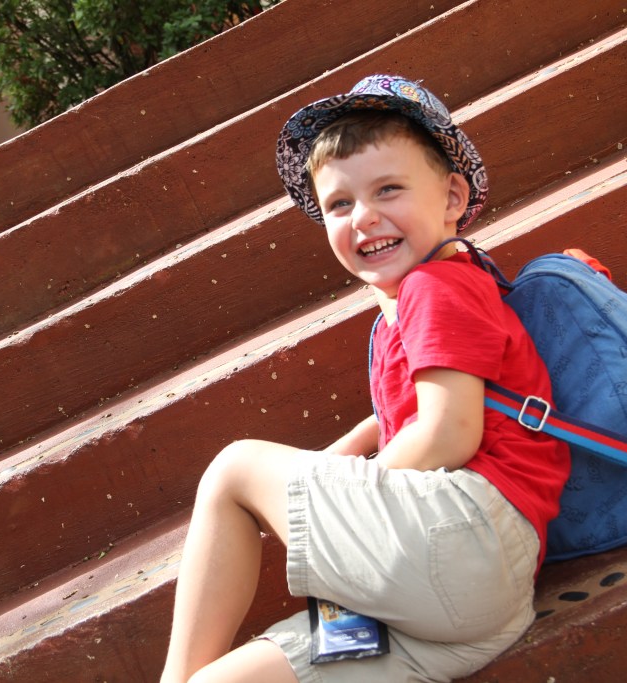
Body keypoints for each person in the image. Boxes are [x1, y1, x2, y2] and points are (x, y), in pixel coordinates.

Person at [159, 74, 570, 682]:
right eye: (340, 204)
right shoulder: (433, 294)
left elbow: (448, 433)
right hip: (476, 606)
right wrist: (332, 470)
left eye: (389, 189)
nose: (365, 217)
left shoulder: (434, 288)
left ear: (452, 197)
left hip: (465, 537)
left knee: (233, 470)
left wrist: (354, 489)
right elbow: (408, 413)